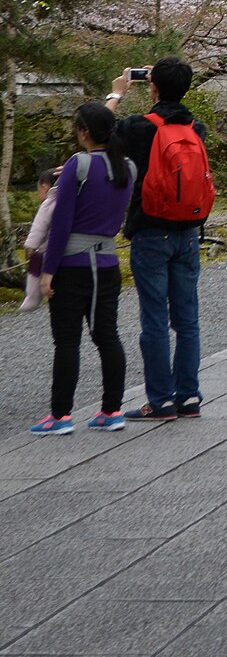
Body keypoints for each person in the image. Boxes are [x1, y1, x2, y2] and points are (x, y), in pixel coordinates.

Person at [106, 57, 213, 421]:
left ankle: (161, 400)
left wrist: (116, 93)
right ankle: (189, 397)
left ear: (152, 86)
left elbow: (100, 133)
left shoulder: (140, 127)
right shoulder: (195, 128)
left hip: (150, 230)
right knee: (187, 319)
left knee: (154, 317)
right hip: (187, 232)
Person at [29, 104, 134, 434]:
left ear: (84, 132)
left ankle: (60, 416)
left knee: (67, 340)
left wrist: (48, 270)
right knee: (107, 336)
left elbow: (61, 224)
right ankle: (112, 410)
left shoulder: (79, 164)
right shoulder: (128, 167)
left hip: (72, 264)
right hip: (107, 262)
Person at [21, 168, 57, 312]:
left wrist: (30, 246)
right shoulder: (71, 200)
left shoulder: (48, 203)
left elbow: (38, 228)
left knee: (34, 271)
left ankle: (32, 297)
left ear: (45, 186)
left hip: (44, 249)